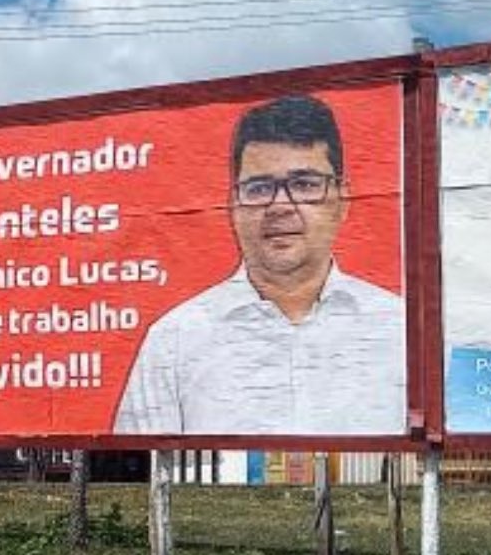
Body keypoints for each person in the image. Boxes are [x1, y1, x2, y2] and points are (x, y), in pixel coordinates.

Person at [113, 94, 404, 435]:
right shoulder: (176, 340)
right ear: (233, 204)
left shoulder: (401, 330)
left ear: (343, 199)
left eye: (304, 184)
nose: (280, 206)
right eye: (259, 188)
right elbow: (137, 479)